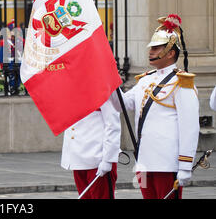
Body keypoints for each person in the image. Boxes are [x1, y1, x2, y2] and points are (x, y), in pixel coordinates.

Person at [113, 14, 200, 199]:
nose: (151, 51)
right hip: (144, 160)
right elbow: (122, 104)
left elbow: (190, 127)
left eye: (156, 47)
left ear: (170, 52)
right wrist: (109, 83)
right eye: (151, 47)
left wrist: (185, 165)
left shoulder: (182, 82)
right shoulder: (145, 80)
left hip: (167, 162)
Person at [61, 95, 121, 199]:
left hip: (97, 157)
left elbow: (112, 125)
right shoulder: (72, 88)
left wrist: (108, 159)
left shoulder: (102, 87)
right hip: (77, 157)